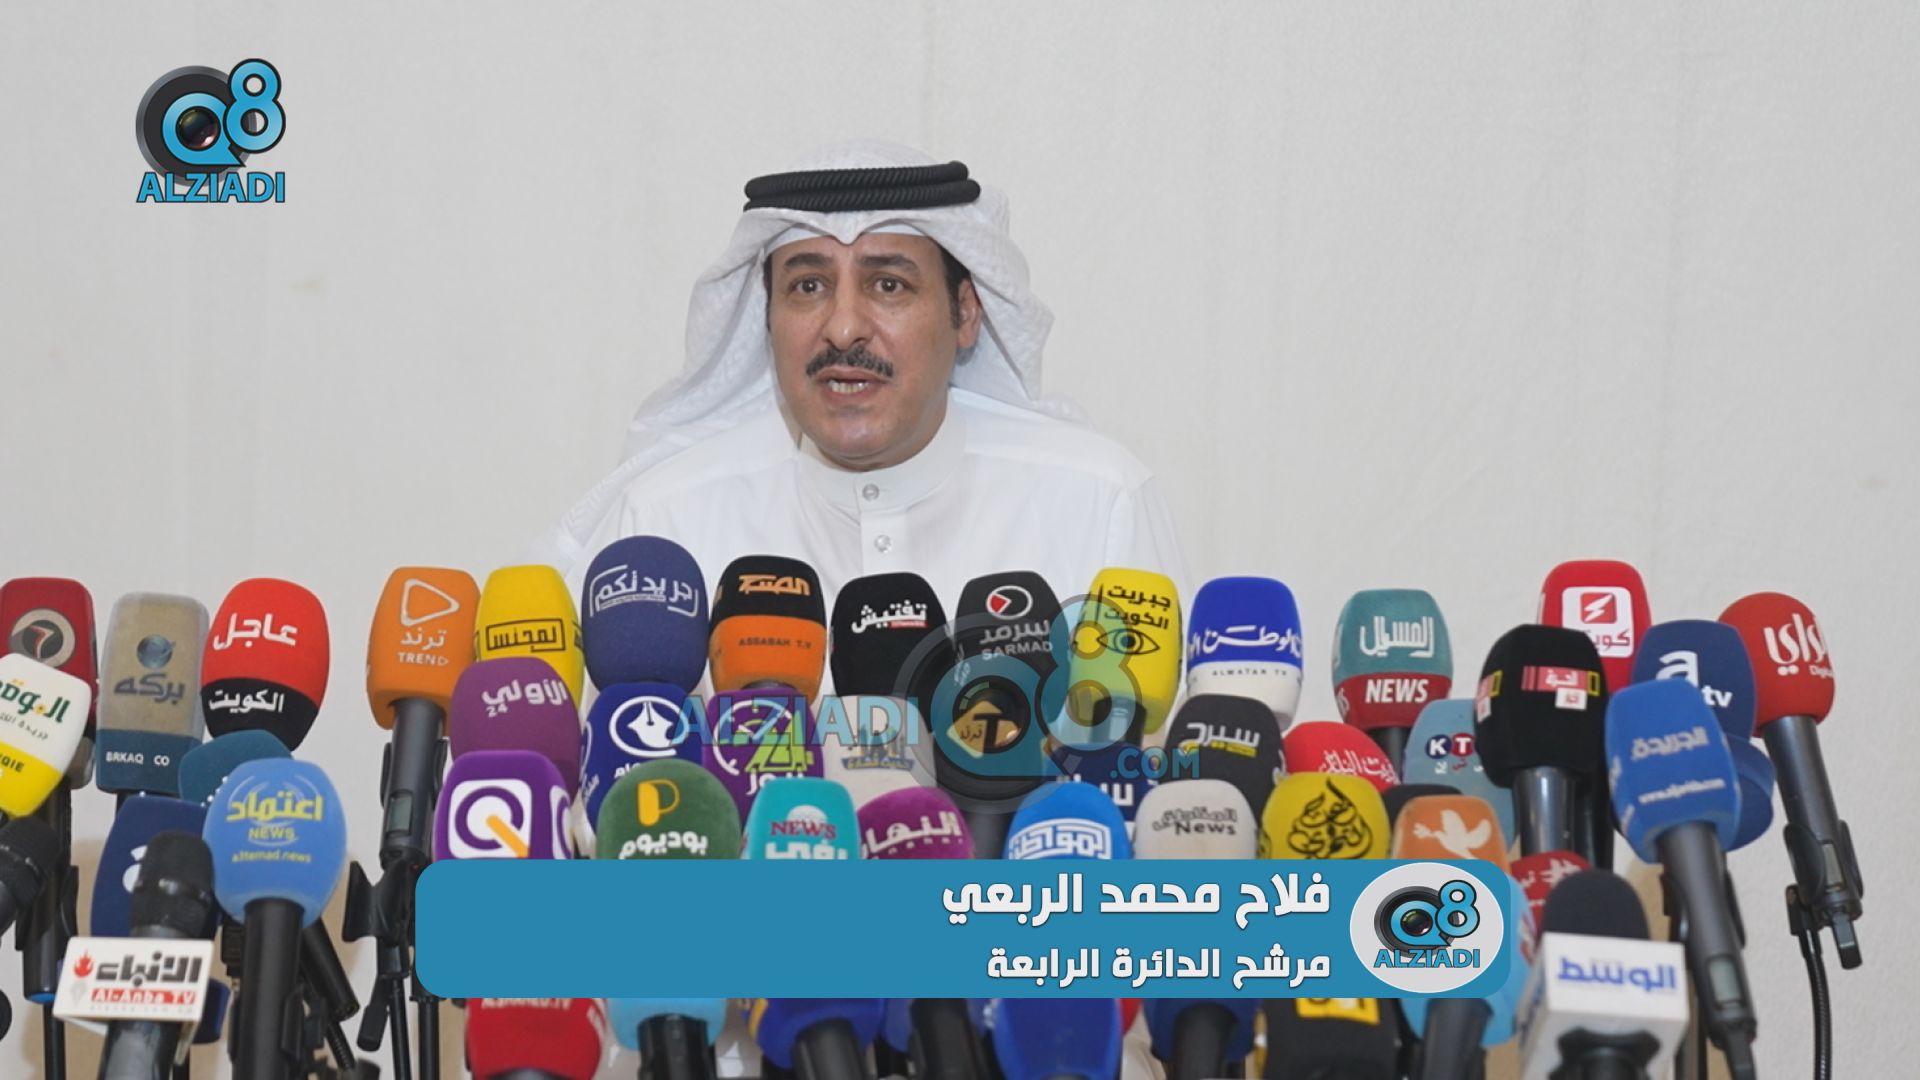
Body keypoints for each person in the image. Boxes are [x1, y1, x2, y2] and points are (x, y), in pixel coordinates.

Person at [538, 139, 1186, 612]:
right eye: (808, 286)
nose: (844, 328)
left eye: (888, 284)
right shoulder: (665, 524)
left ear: (965, 313)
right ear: (767, 320)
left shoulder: (1098, 505)